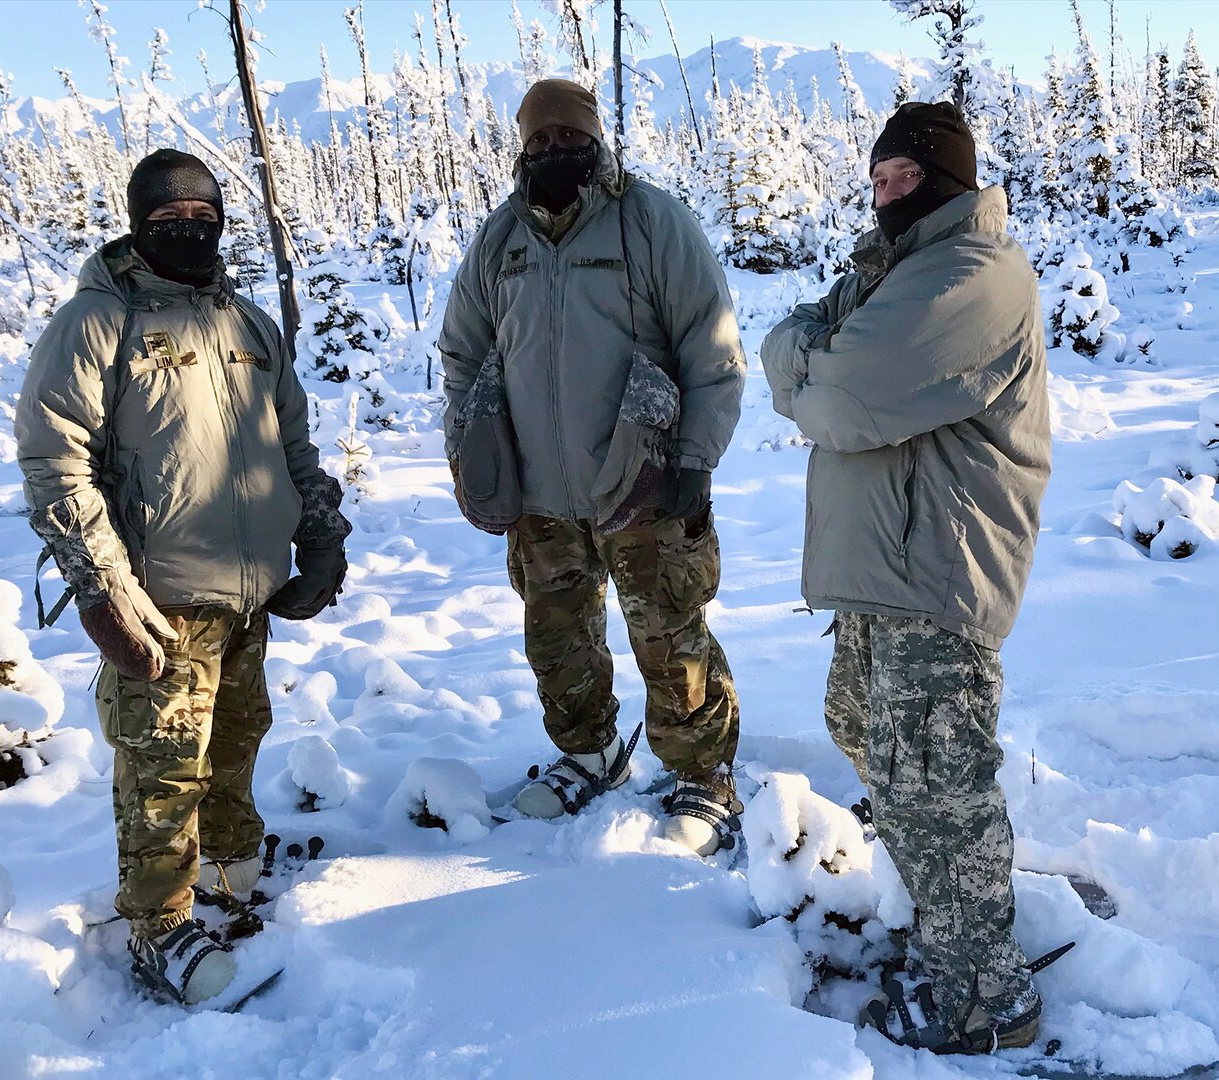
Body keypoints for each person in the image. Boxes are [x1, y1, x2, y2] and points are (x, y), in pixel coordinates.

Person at [15, 149, 351, 1004]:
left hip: (247, 592)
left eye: (202, 217)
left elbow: (294, 445)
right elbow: (55, 459)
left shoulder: (247, 326)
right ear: (138, 226)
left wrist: (318, 537)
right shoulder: (99, 320)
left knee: (236, 742)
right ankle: (157, 924)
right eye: (168, 221)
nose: (188, 231)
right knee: (161, 770)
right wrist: (102, 586)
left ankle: (230, 873)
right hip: (155, 597)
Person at [760, 102, 1052, 1052]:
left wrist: (814, 369)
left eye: (904, 178)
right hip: (880, 566)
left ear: (948, 179)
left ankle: (985, 999)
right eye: (876, 178)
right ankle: (938, 908)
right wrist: (814, 356)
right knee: (870, 739)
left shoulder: (973, 274)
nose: (884, 194)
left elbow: (840, 402)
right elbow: (785, 342)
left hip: (938, 567)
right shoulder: (889, 273)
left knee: (935, 780)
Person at [438, 79, 746, 856]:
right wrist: (470, 445)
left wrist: (696, 460)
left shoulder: (648, 221)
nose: (552, 151)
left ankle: (702, 775)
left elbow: (710, 349)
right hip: (539, 491)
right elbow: (463, 351)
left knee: (669, 632)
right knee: (557, 637)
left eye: (566, 137)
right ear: (521, 147)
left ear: (595, 138)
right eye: (537, 140)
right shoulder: (501, 238)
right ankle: (590, 752)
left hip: (642, 480)